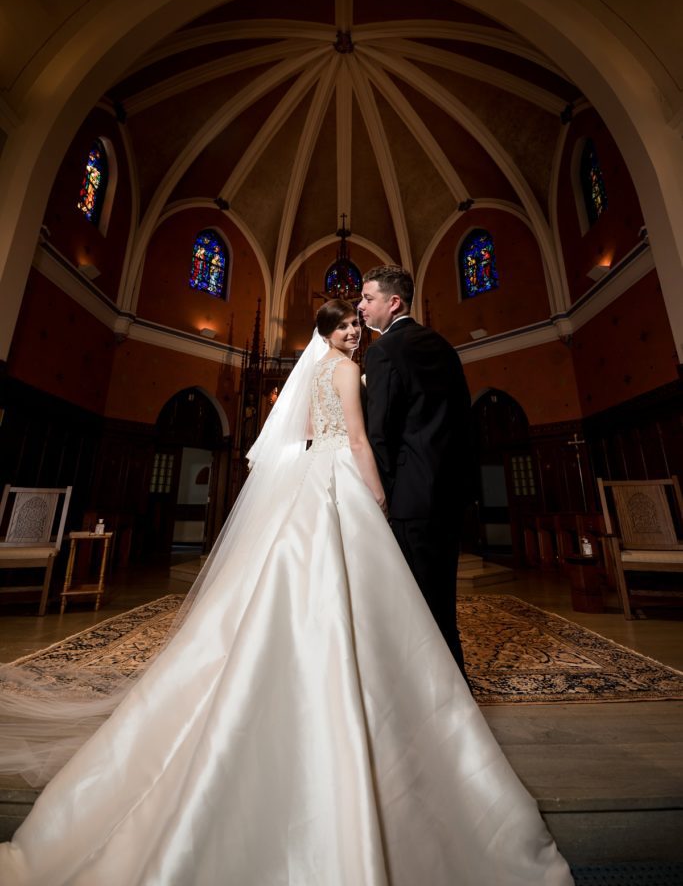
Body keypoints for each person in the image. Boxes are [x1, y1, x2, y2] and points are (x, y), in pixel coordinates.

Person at [0, 299, 573, 886]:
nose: (355, 332)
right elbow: (355, 438)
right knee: (345, 592)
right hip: (342, 484)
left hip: (308, 480)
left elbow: (302, 433)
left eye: (357, 323)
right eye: (347, 326)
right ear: (329, 332)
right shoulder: (349, 370)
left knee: (303, 585)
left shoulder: (315, 371)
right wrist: (377, 495)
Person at [359, 266, 471, 675]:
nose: (360, 306)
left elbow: (380, 432)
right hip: (449, 492)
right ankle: (454, 685)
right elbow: (462, 420)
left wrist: (382, 490)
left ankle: (430, 694)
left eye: (368, 298)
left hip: (409, 498)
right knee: (442, 597)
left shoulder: (384, 350)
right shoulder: (443, 346)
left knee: (412, 603)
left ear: (394, 302)